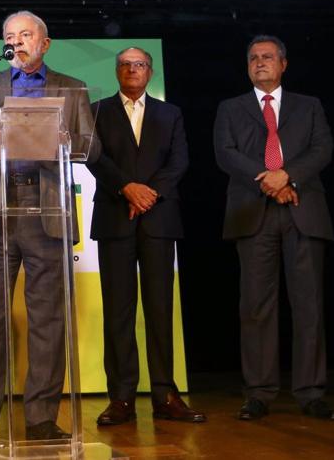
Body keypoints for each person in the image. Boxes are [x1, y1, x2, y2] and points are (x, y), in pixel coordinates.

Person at [0, 10, 96, 448]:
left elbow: (92, 145)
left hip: (46, 209)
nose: (17, 42)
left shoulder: (71, 88)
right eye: (10, 36)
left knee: (48, 319)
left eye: (26, 35)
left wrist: (68, 140)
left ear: (44, 43)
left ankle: (42, 418)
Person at [213, 35, 334, 422]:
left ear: (283, 64)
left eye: (267, 57)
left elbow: (323, 149)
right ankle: (259, 392)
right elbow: (225, 153)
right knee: (255, 307)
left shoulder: (309, 105)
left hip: (303, 208)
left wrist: (288, 176)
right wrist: (268, 180)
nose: (259, 62)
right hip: (253, 212)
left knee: (309, 305)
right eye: (253, 58)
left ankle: (311, 392)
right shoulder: (230, 108)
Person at [87, 47, 205, 427]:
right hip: (114, 217)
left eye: (138, 65)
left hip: (159, 219)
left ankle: (165, 395)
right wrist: (126, 188)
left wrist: (148, 194)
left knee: (159, 309)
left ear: (149, 72)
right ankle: (121, 398)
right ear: (116, 72)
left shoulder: (170, 114)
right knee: (118, 311)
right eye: (124, 65)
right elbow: (94, 157)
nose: (131, 70)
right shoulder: (97, 111)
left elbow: (179, 161)